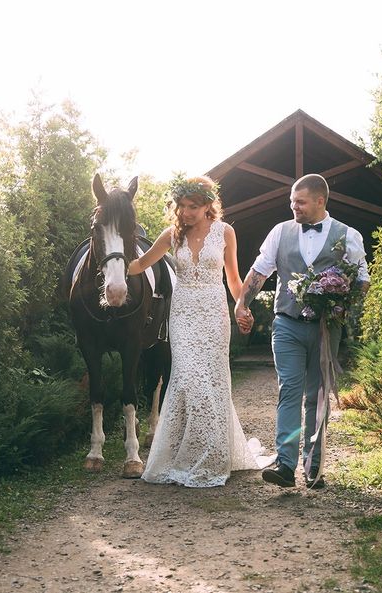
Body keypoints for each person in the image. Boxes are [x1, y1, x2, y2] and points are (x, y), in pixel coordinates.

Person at [128, 175, 270, 487]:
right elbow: (139, 265)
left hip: (214, 313)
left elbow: (233, 279)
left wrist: (243, 306)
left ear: (209, 205)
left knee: (213, 380)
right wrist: (112, 257)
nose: (186, 212)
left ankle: (213, 454)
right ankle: (188, 452)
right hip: (182, 314)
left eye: (193, 206)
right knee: (187, 376)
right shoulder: (171, 235)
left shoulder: (225, 232)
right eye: (181, 205)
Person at [234, 174, 369, 489]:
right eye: (292, 201)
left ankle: (313, 466)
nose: (293, 206)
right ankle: (284, 464)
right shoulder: (280, 232)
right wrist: (242, 303)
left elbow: (362, 279)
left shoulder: (348, 235)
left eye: (300, 201)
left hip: (326, 328)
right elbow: (260, 270)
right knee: (289, 390)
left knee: (317, 395)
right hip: (287, 323)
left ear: (320, 201)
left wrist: (341, 298)